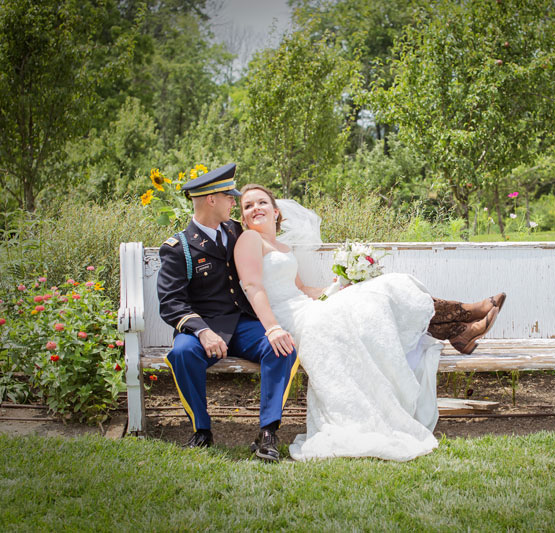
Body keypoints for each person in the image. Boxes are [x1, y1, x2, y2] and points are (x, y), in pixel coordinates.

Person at [234, 184, 505, 461]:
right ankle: (463, 317)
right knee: (380, 294)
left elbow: (301, 290)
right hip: (290, 321)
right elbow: (253, 286)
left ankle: (459, 324)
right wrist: (273, 328)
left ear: (276, 211)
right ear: (243, 218)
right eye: (248, 206)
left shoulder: (283, 247)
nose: (255, 208)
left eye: (262, 203)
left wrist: (338, 286)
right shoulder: (249, 241)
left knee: (381, 290)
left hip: (308, 308)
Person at [156, 164, 297, 463]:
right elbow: (171, 302)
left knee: (282, 348)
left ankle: (268, 432)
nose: (235, 202)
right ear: (211, 200)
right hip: (204, 328)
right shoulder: (178, 247)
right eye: (229, 197)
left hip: (243, 325)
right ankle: (201, 431)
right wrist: (202, 330)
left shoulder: (236, 231)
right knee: (181, 353)